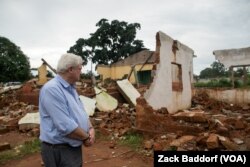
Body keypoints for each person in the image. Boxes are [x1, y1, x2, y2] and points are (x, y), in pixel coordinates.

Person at [39, 53, 95, 167]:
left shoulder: (71, 88)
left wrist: (90, 128)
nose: (81, 72)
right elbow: (65, 126)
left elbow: (81, 112)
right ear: (70, 69)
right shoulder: (52, 89)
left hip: (71, 147)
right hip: (59, 150)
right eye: (79, 69)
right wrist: (86, 137)